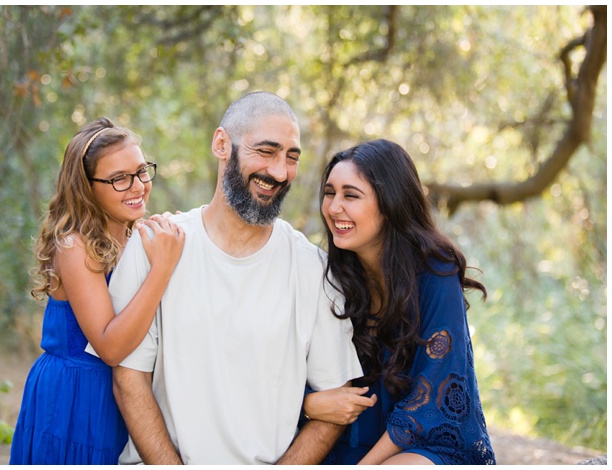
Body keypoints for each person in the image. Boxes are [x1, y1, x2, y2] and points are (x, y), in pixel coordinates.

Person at [105, 91, 363, 464]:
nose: (279, 172)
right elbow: (129, 381)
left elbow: (336, 405)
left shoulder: (311, 269)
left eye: (291, 157)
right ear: (222, 144)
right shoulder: (154, 246)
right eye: (266, 151)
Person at [301, 139, 496, 465]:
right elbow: (294, 371)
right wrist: (308, 404)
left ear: (390, 205)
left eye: (351, 195)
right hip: (347, 444)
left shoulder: (436, 271)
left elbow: (431, 400)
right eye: (330, 193)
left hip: (430, 446)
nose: (334, 207)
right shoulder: (331, 276)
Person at [10, 117, 185, 464]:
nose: (137, 186)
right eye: (119, 178)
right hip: (72, 401)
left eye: (141, 171)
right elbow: (109, 346)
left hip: (121, 397)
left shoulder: (136, 236)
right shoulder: (76, 245)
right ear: (87, 187)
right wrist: (162, 268)